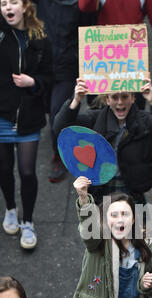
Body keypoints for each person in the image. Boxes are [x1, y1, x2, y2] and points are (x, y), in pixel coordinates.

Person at [54, 77, 152, 205]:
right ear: (107, 100)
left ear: (133, 98)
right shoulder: (95, 119)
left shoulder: (145, 121)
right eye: (115, 97)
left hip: (133, 190)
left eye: (125, 97)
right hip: (101, 190)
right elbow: (60, 128)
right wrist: (76, 100)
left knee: (136, 225)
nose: (120, 102)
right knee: (98, 224)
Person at [0, 0, 53, 249]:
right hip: (2, 115)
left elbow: (49, 76)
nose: (7, 8)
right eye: (3, 3)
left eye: (12, 3)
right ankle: (10, 208)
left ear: (25, 6)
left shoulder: (40, 38)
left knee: (27, 171)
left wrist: (33, 82)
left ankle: (28, 221)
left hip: (28, 118)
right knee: (3, 169)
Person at [33, 0, 96, 183]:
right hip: (41, 66)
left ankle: (59, 155)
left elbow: (90, 28)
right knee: (46, 107)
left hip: (66, 68)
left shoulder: (81, 4)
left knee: (56, 115)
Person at [78, 0, 152, 76]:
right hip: (103, 53)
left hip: (131, 54)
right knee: (100, 100)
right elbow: (84, 6)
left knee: (135, 97)